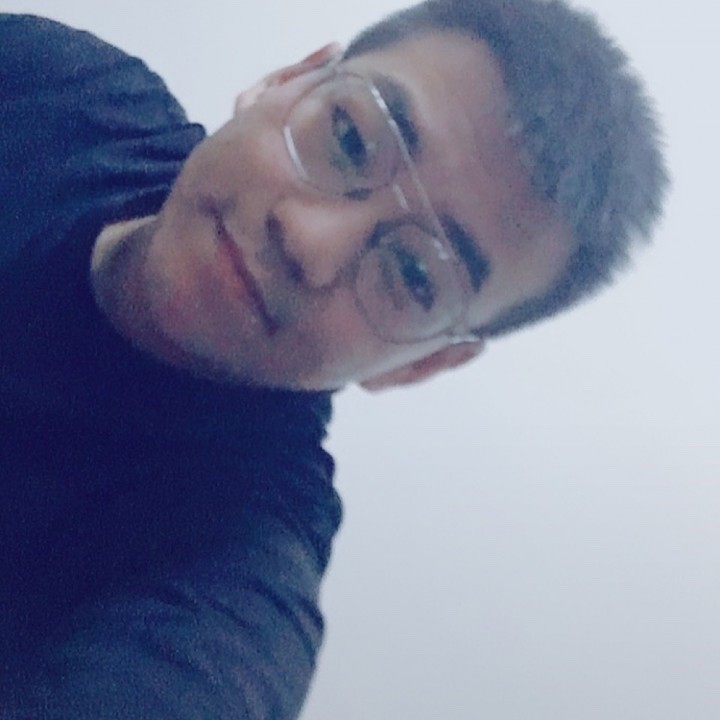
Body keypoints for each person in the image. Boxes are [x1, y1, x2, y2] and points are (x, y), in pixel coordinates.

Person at [0, 0, 666, 717]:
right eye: (350, 138)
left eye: (415, 275)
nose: (310, 242)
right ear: (285, 80)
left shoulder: (226, 584)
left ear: (416, 366)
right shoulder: (54, 87)